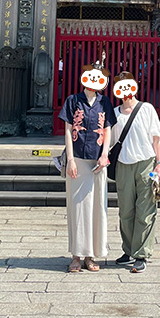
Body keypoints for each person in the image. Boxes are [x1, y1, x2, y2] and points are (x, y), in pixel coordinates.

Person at [58, 57, 114, 273]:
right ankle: (76, 255)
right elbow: (67, 130)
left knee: (97, 207)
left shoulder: (105, 102)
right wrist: (70, 159)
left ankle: (91, 255)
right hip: (79, 159)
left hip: (98, 160)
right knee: (78, 207)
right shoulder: (73, 100)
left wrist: (105, 155)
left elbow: (108, 128)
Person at [110, 70, 160, 274]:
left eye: (128, 84)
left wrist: (159, 164)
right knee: (125, 211)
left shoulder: (146, 109)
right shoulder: (114, 113)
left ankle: (141, 254)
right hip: (123, 165)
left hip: (146, 164)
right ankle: (128, 250)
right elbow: (110, 141)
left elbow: (156, 139)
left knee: (145, 210)